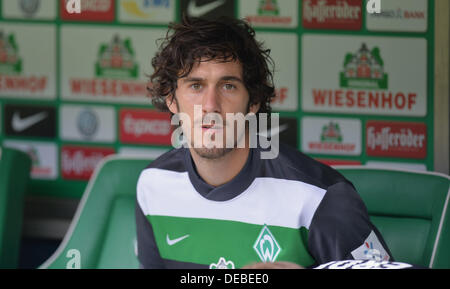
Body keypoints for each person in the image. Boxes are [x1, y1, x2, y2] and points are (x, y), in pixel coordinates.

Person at [135, 16, 393, 269]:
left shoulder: (320, 197)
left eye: (228, 86)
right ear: (171, 99)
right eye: (195, 86)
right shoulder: (154, 184)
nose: (211, 105)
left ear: (254, 101)